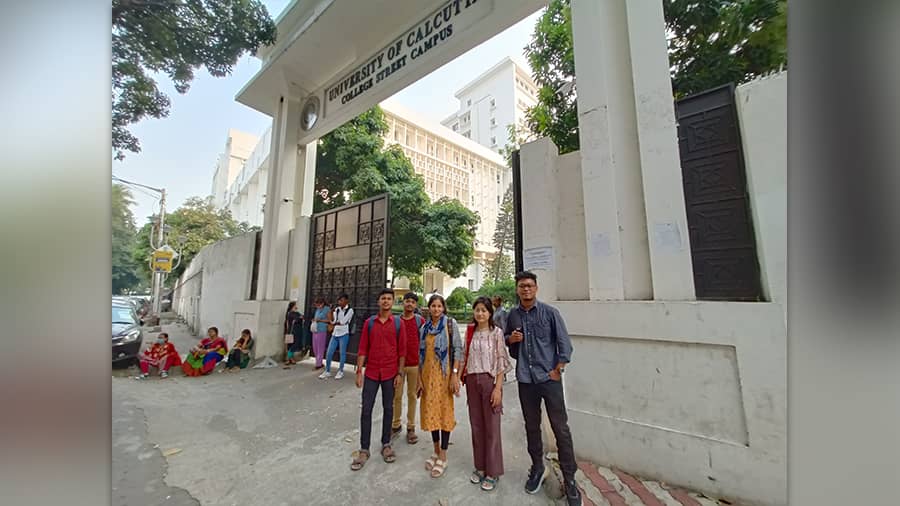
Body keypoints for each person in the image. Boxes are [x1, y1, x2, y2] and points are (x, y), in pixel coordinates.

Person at [505, 271, 582, 506]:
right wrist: (512, 340)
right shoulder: (512, 315)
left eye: (529, 286)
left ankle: (570, 479)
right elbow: (509, 344)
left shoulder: (550, 313)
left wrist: (557, 370)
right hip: (526, 380)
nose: (525, 289)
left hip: (549, 380)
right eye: (521, 286)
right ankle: (538, 467)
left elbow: (564, 345)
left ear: (536, 288)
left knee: (561, 428)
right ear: (517, 290)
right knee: (531, 426)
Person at [350, 289, 406, 471]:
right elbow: (362, 348)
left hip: (390, 373)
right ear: (378, 301)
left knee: (388, 408)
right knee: (366, 409)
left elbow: (402, 352)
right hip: (372, 372)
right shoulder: (369, 324)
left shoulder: (398, 323)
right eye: (383, 298)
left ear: (393, 301)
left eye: (389, 299)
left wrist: (399, 373)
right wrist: (359, 371)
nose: (386, 301)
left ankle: (386, 444)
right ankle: (364, 449)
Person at [462, 296, 512, 491]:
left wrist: (498, 388)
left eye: (484, 310)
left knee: (492, 426)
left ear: (490, 313)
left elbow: (500, 361)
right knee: (476, 425)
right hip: (472, 381)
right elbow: (464, 355)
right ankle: (480, 467)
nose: (480, 313)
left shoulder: (496, 333)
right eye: (477, 310)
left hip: (489, 381)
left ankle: (493, 471)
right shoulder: (470, 332)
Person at [416, 294, 464, 479]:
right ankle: (435, 450)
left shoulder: (449, 325)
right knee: (430, 413)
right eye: (433, 306)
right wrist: (419, 379)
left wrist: (454, 374)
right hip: (427, 377)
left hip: (444, 377)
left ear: (443, 308)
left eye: (439, 306)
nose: (436, 309)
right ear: (429, 308)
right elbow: (420, 355)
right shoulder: (424, 328)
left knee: (444, 414)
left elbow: (458, 350)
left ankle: (443, 455)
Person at [391, 292, 426, 445]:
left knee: (412, 396)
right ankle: (395, 424)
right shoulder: (395, 321)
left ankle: (411, 427)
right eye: (407, 301)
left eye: (412, 302)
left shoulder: (420, 321)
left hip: (414, 365)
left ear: (416, 305)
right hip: (398, 366)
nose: (409, 304)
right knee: (396, 396)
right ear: (402, 303)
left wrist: (422, 368)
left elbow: (424, 344)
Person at [319, 294, 353, 380]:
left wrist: (334, 322)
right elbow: (333, 321)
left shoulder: (350, 310)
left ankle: (340, 371)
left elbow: (343, 321)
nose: (339, 302)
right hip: (335, 333)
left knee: (342, 353)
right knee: (329, 352)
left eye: (341, 300)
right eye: (339, 301)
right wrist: (331, 313)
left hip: (344, 333)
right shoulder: (337, 309)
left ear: (346, 301)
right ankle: (327, 371)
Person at [310, 297, 332, 370]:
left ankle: (318, 364)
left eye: (318, 305)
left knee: (320, 347)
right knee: (315, 346)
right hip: (315, 329)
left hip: (322, 329)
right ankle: (318, 361)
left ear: (322, 304)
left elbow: (329, 320)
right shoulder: (318, 309)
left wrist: (320, 320)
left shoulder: (327, 309)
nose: (317, 306)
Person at [284, 302, 303, 366]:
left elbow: (301, 317)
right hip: (292, 331)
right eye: (295, 305)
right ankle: (288, 358)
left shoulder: (295, 313)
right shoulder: (291, 313)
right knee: (292, 346)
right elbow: (297, 319)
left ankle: (290, 358)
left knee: (292, 345)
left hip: (295, 331)